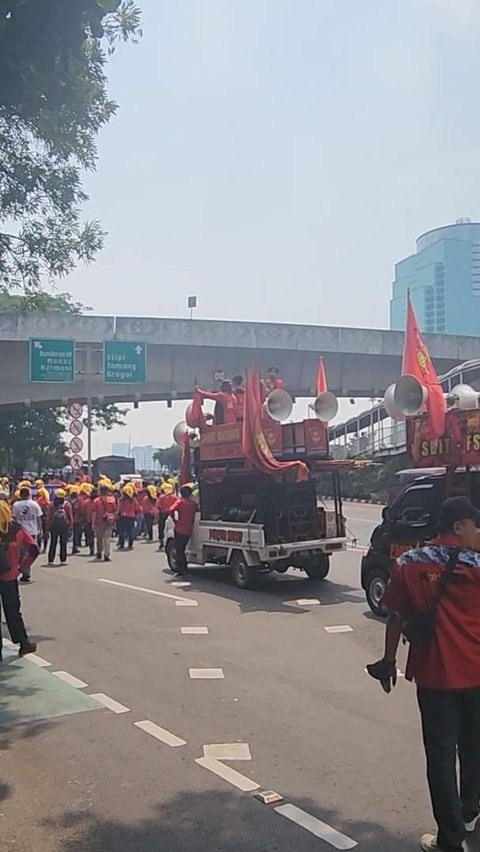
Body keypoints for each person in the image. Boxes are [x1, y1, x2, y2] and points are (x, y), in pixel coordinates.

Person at [367, 496, 480, 852]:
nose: (477, 531)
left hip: (434, 677)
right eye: (474, 524)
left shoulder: (408, 563)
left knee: (442, 756)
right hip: (477, 673)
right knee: (475, 747)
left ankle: (450, 837)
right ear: (459, 526)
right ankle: (469, 812)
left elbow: (395, 616)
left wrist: (388, 663)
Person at [0, 500, 38, 660]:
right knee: (13, 612)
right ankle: (23, 643)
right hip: (10, 577)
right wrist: (23, 567)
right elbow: (34, 548)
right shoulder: (18, 529)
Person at [11, 486, 43, 582]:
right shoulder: (34, 504)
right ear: (29, 494)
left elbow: (14, 519)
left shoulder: (16, 505)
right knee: (30, 553)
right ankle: (25, 571)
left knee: (22, 554)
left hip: (21, 532)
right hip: (32, 531)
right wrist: (40, 529)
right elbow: (38, 518)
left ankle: (23, 571)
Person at [170, 485, 197, 575]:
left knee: (179, 550)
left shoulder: (180, 502)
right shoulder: (193, 504)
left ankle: (182, 569)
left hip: (179, 529)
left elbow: (171, 510)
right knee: (182, 549)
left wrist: (175, 520)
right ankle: (183, 568)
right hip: (189, 529)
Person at [47, 489, 73, 565]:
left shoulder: (52, 505)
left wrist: (48, 525)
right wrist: (71, 526)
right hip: (64, 526)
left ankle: (51, 560)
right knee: (63, 543)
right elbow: (70, 516)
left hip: (54, 526)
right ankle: (63, 559)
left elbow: (49, 516)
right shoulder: (67, 504)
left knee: (53, 543)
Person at [92, 484, 117, 562]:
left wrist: (93, 523)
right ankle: (107, 554)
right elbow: (115, 511)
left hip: (99, 521)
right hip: (109, 521)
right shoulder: (112, 500)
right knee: (107, 538)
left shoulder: (96, 501)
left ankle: (99, 552)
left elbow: (94, 513)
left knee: (99, 538)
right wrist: (113, 520)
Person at [117, 485, 139, 550]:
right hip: (131, 516)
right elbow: (137, 509)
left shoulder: (122, 500)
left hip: (123, 517)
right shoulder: (134, 500)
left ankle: (121, 545)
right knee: (131, 531)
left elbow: (119, 509)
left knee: (122, 531)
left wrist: (117, 514)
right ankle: (130, 544)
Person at [157, 484, 177, 550]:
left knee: (161, 527)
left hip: (163, 513)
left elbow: (158, 506)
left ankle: (162, 542)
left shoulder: (161, 497)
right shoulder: (175, 497)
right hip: (172, 513)